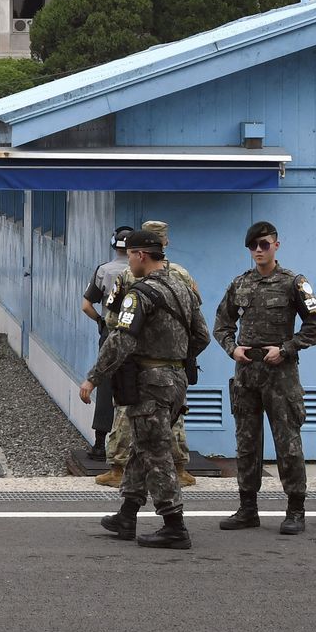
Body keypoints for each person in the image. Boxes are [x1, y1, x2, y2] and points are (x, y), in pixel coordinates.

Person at [79, 229, 210, 549]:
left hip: (151, 381)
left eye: (131, 255)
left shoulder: (139, 294)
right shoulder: (183, 287)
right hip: (176, 380)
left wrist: (94, 377)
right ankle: (127, 514)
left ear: (140, 255)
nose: (128, 261)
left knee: (155, 451)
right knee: (142, 444)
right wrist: (175, 357)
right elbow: (203, 336)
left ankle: (174, 525)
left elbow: (120, 340)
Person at [213, 221, 316, 535]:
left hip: (280, 374)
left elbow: (315, 327)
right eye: (253, 246)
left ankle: (295, 511)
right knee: (246, 444)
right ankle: (248, 509)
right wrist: (232, 349)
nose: (258, 251)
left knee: (288, 444)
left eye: (264, 244)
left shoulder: (293, 283)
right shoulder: (240, 284)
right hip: (247, 373)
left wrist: (286, 349)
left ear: (277, 244)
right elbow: (221, 324)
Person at [93, 220, 198, 489]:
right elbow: (197, 324)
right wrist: (182, 352)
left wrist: (105, 365)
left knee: (128, 414)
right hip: (176, 363)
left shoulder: (129, 276)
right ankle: (178, 468)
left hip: (137, 361)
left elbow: (114, 319)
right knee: (173, 417)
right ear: (166, 243)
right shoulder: (182, 275)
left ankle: (120, 469)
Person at [79, 228, 134, 476]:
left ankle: (100, 444)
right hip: (138, 336)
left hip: (110, 334)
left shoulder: (105, 270)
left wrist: (101, 322)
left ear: (114, 245)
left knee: (106, 386)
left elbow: (86, 305)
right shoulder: (146, 271)